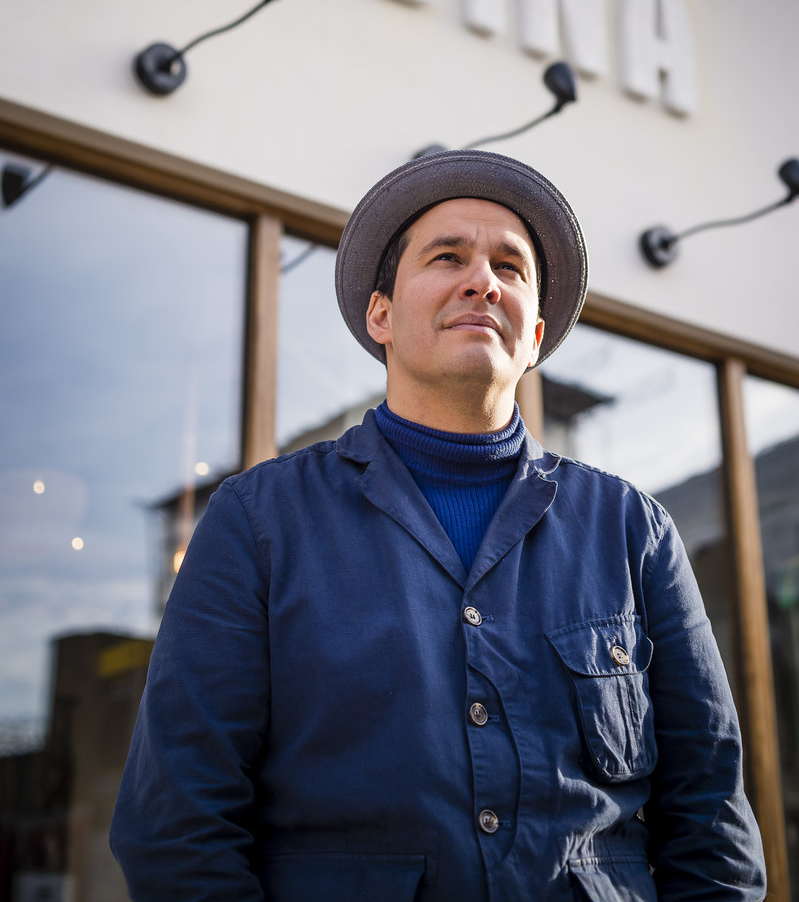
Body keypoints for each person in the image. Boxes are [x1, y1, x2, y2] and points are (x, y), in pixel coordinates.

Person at [110, 149, 766, 901]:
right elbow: (177, 826)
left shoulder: (632, 532)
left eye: (510, 268)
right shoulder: (259, 521)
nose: (483, 281)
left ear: (535, 335)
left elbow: (711, 821)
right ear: (381, 315)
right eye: (447, 257)